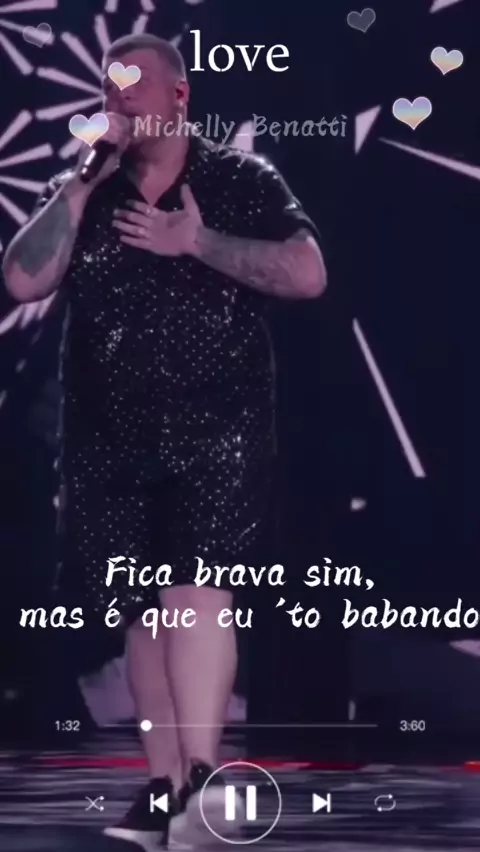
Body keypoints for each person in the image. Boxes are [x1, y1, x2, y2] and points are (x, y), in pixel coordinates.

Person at [2, 32, 326, 849]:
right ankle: (164, 786)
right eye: (110, 88)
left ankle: (205, 781)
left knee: (196, 595)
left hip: (219, 428)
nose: (120, 100)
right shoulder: (87, 188)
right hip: (107, 435)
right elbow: (22, 278)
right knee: (141, 614)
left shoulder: (240, 179)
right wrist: (82, 183)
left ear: (180, 95)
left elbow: (307, 273)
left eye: (135, 85)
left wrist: (198, 243)